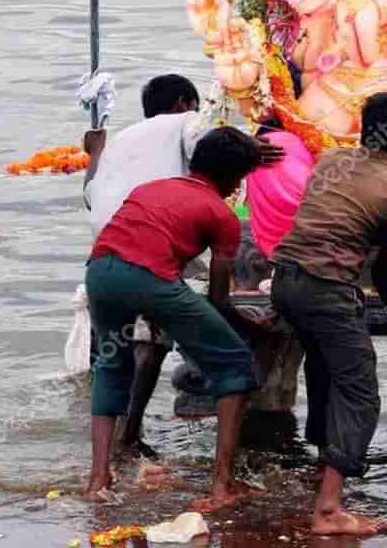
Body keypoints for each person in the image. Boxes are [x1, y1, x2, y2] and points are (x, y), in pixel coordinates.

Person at [82, 75, 280, 456]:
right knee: (219, 357)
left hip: (105, 253)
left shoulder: (122, 142)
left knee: (114, 361)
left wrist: (94, 153)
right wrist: (252, 146)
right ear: (183, 103)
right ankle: (214, 469)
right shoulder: (188, 123)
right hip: (153, 254)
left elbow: (91, 196)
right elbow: (207, 140)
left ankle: (102, 471)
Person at [269, 90, 387, 536]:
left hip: (284, 281)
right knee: (360, 393)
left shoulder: (331, 159)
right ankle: (329, 510)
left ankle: (324, 465)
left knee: (323, 369)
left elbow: (343, 202)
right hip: (326, 290)